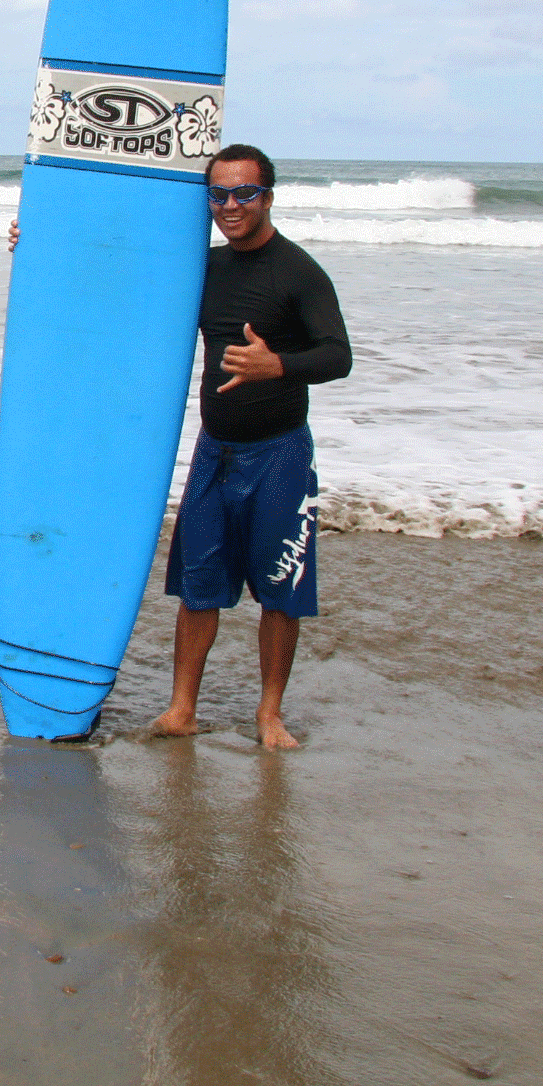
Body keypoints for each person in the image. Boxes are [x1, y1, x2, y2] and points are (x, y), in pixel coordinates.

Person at [151, 144, 351, 750]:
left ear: (268, 195)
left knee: (281, 592)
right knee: (198, 587)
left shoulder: (299, 272)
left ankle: (269, 714)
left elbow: (338, 355)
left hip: (281, 453)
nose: (231, 206)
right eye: (219, 195)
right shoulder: (202, 267)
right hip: (216, 451)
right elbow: (118, 281)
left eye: (244, 193)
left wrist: (276, 364)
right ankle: (182, 708)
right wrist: (34, 241)